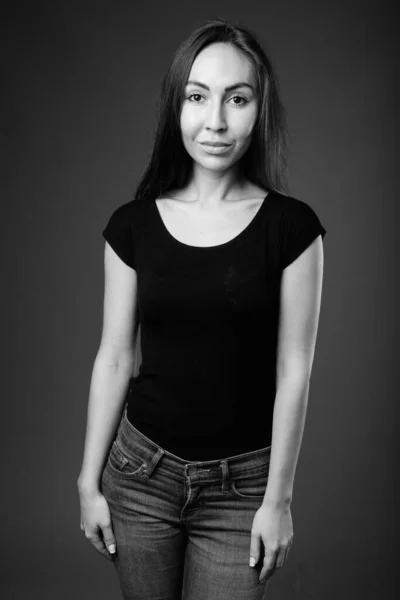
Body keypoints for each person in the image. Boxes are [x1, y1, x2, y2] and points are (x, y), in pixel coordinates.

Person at [77, 16, 326, 600]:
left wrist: (278, 500)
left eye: (237, 99)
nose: (215, 121)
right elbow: (114, 357)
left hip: (243, 490)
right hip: (140, 477)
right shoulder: (131, 225)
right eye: (197, 97)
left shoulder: (292, 229)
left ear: (258, 110)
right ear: (176, 107)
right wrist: (89, 482)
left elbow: (294, 370)